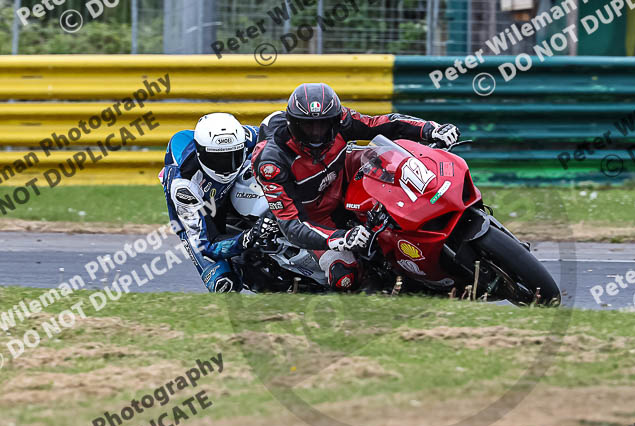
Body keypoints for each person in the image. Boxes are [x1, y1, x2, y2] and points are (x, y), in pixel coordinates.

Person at [251, 82, 460, 290]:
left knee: (392, 161)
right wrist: (338, 238)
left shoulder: (342, 119)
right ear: (293, 124)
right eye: (308, 126)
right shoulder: (272, 162)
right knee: (345, 278)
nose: (316, 133)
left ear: (335, 120)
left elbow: (381, 123)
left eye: (323, 125)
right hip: (317, 216)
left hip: (348, 175)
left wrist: (430, 129)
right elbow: (291, 225)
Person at [160, 112, 277, 293]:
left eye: (234, 156)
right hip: (201, 205)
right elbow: (206, 244)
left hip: (228, 185)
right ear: (201, 154)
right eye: (217, 159)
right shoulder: (184, 186)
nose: (227, 167)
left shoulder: (246, 138)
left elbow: (275, 138)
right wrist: (250, 236)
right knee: (225, 285)